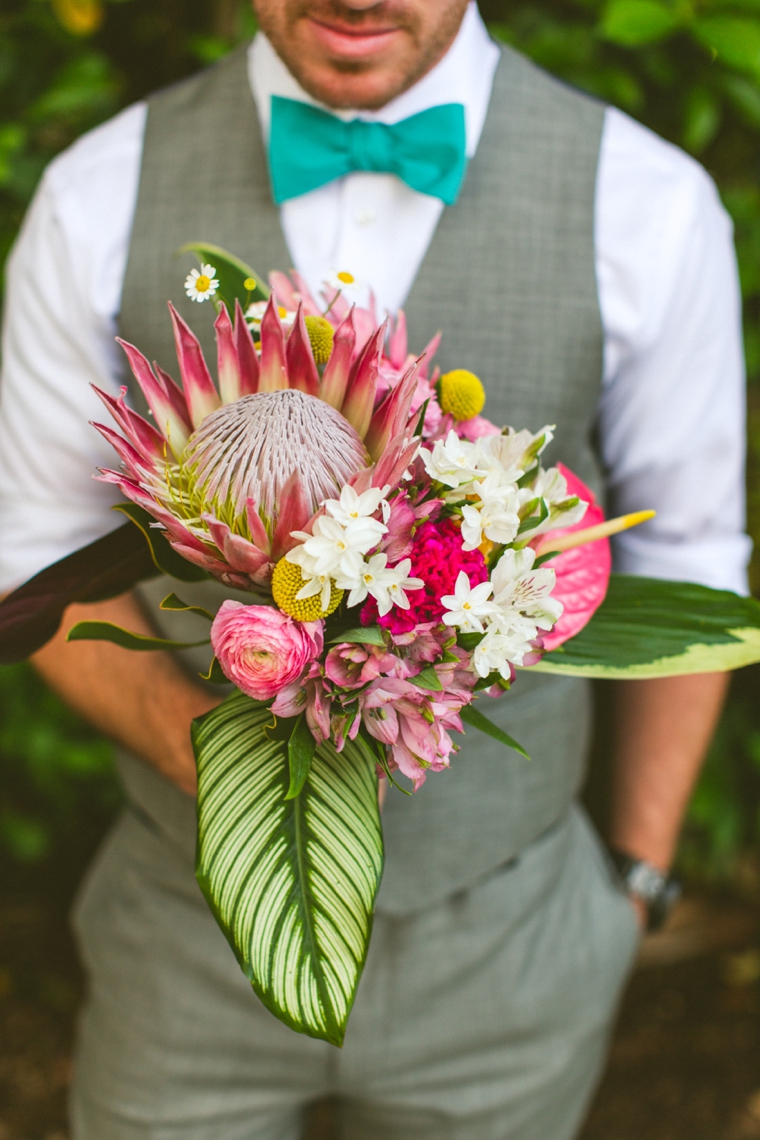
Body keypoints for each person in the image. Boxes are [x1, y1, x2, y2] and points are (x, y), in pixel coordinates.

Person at [0, 1, 750, 1137]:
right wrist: (233, 783)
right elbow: (34, 562)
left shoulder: (647, 204)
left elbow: (688, 555)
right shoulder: (94, 195)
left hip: (513, 943)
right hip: (180, 942)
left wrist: (633, 886)